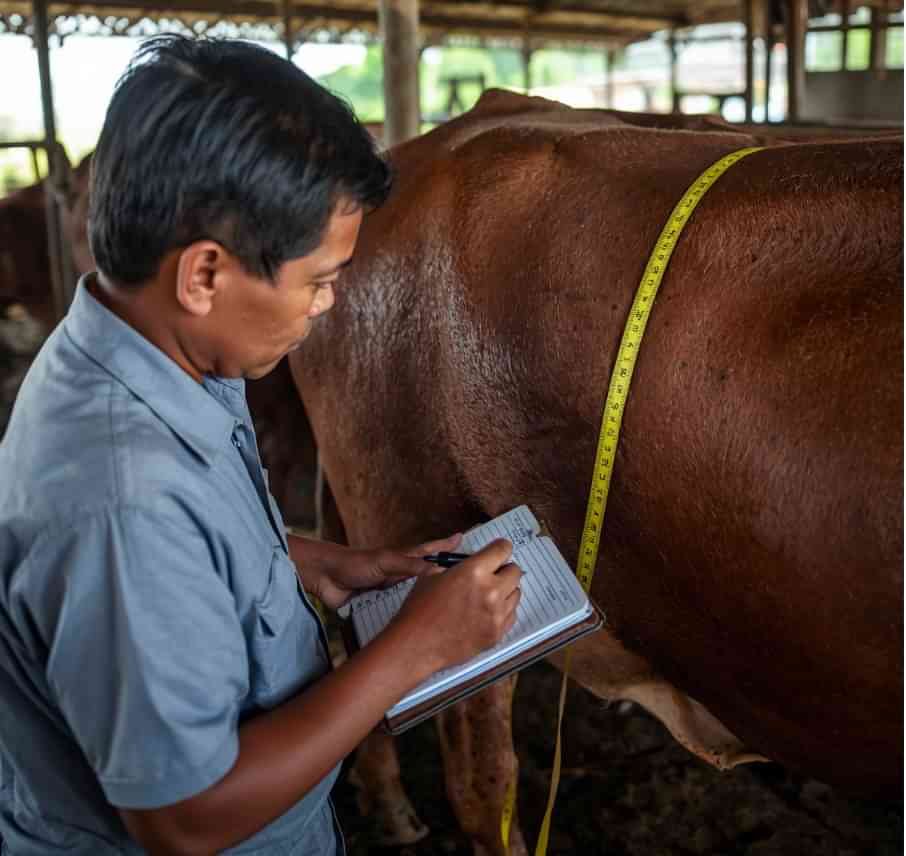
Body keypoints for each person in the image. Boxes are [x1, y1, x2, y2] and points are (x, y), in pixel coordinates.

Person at [0, 36, 523, 855]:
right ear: (204, 275)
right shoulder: (121, 497)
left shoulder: (159, 353)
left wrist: (311, 562)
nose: (326, 306)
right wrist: (415, 650)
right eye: (317, 280)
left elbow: (187, 554)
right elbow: (185, 817)